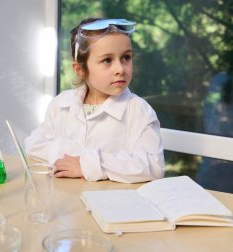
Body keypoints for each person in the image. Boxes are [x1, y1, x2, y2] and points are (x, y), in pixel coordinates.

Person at [25, 18, 165, 183]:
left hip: (111, 203)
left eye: (126, 57)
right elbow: (33, 146)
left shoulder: (139, 110)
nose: (120, 69)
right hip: (65, 199)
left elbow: (153, 167)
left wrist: (86, 164)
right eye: (107, 60)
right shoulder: (61, 104)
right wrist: (70, 155)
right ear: (80, 70)